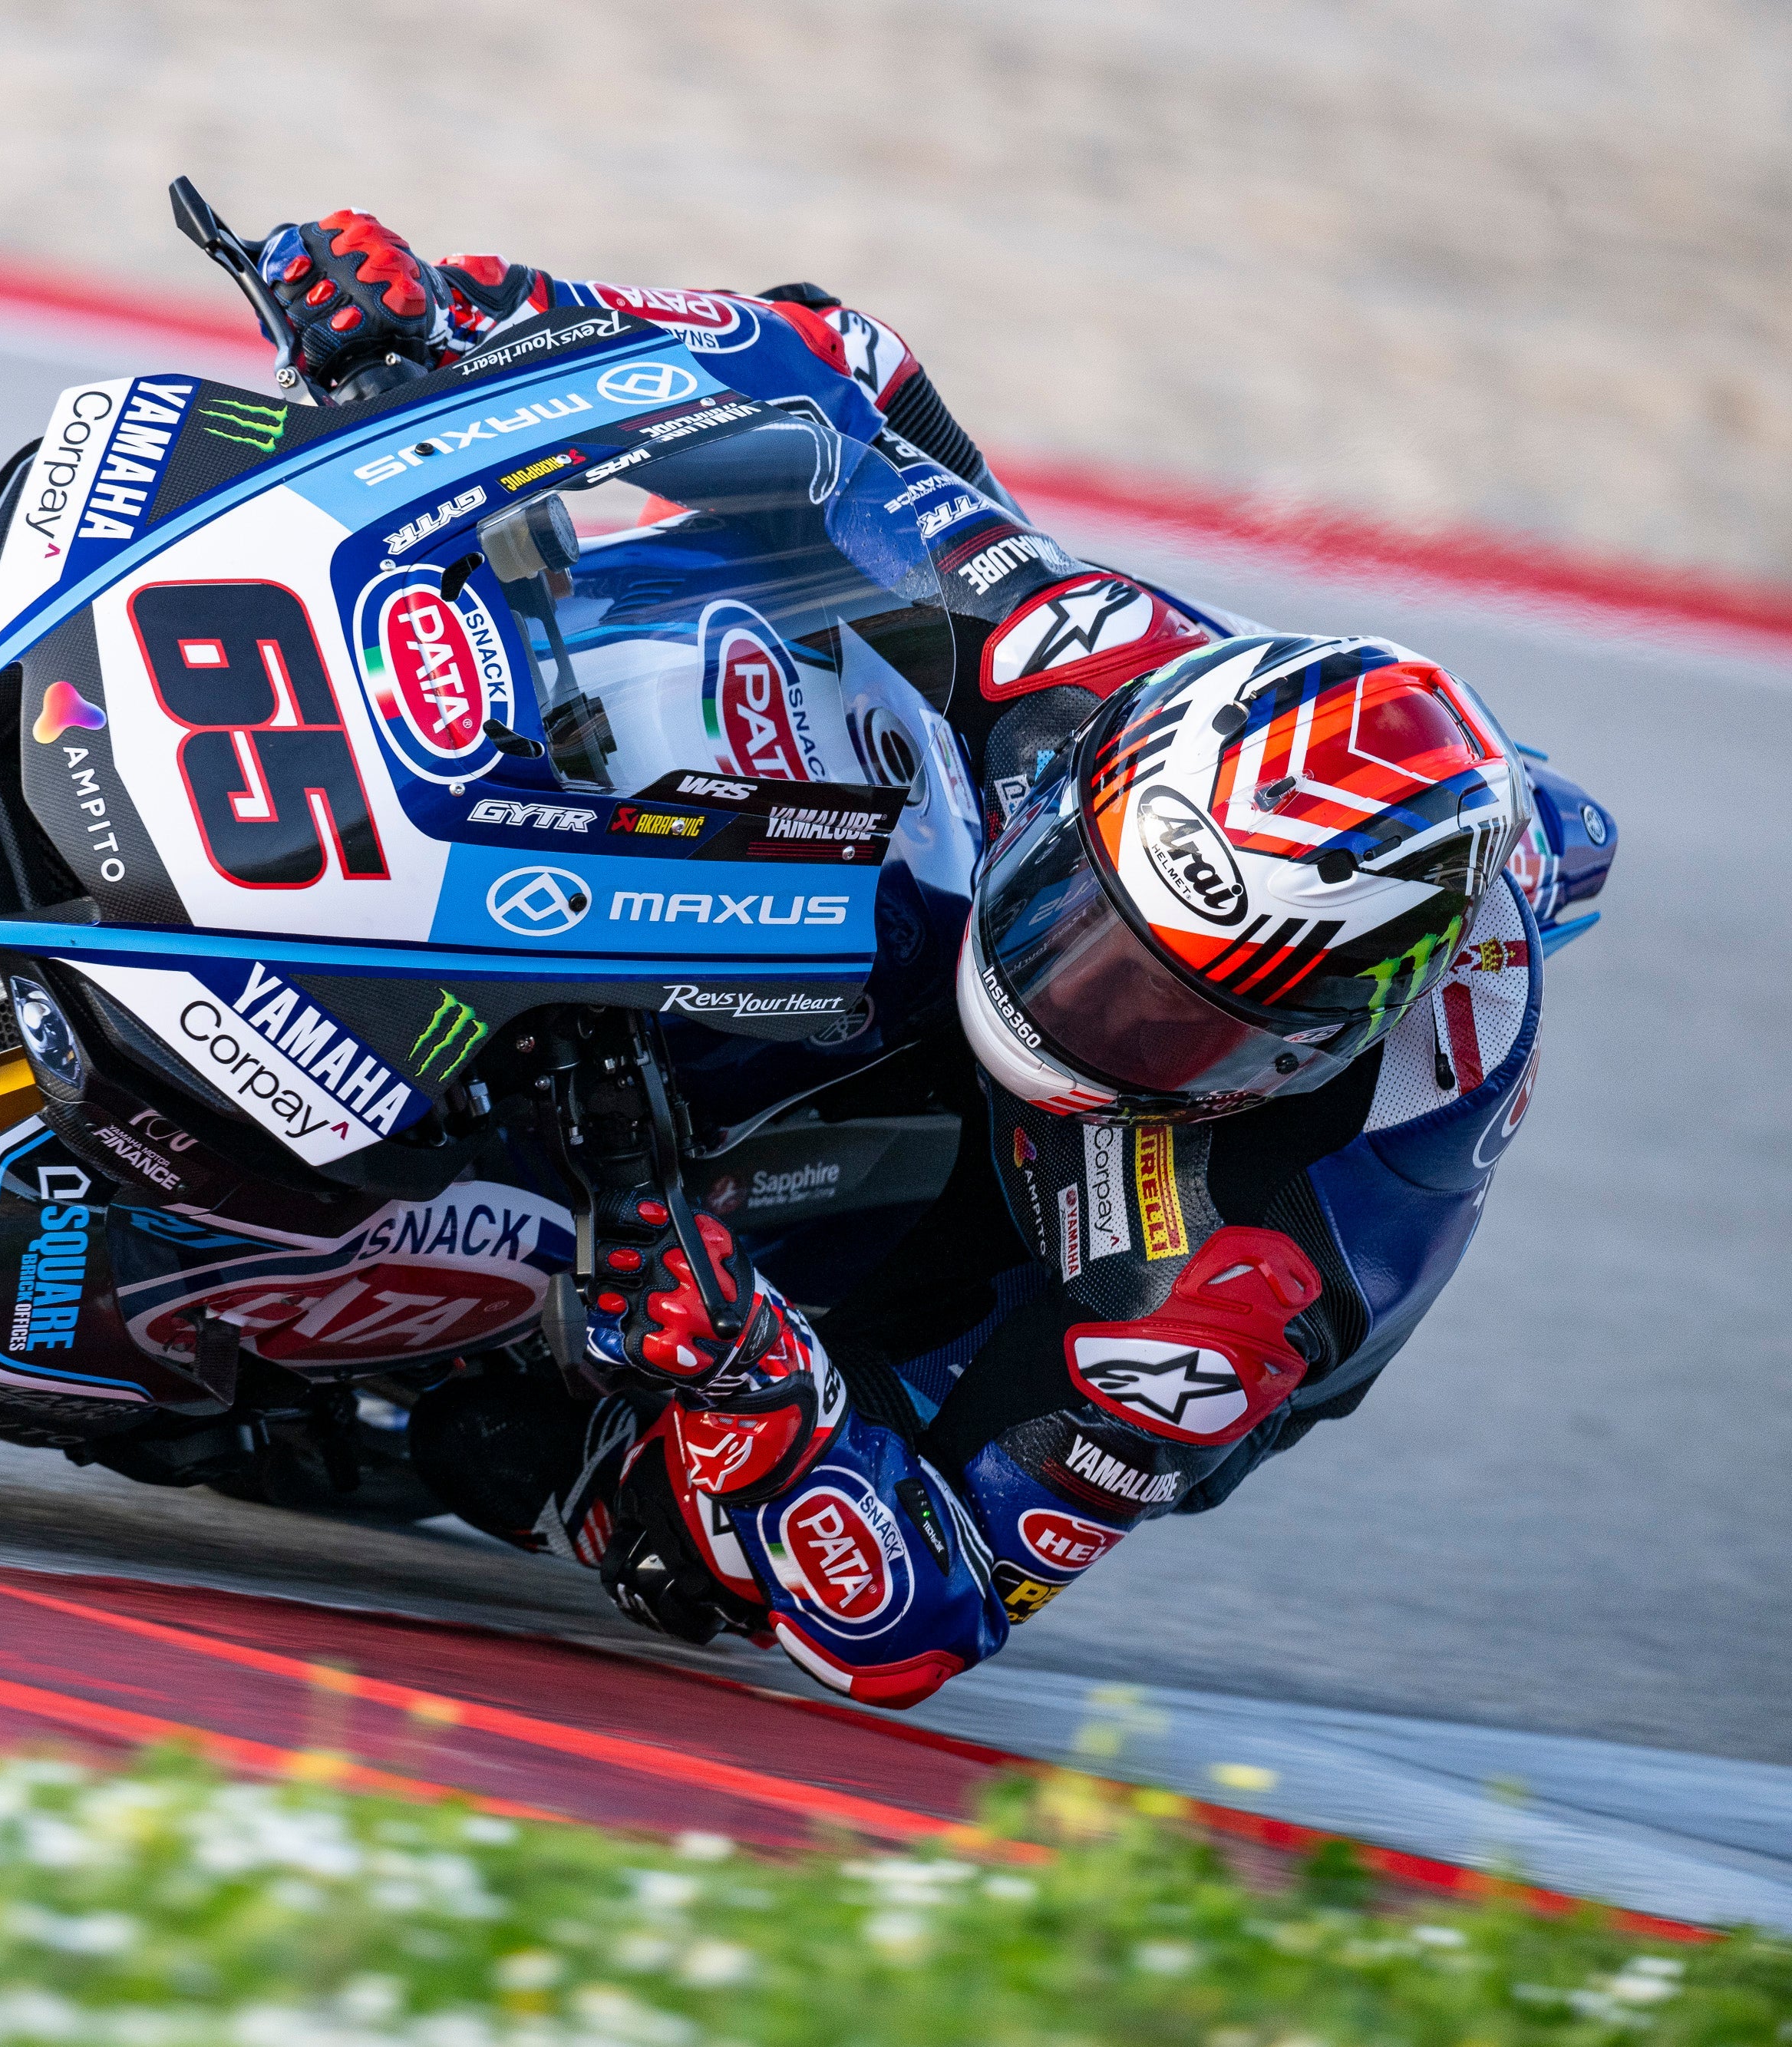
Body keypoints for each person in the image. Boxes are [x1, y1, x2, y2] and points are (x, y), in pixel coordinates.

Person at [260, 210, 1557, 1708]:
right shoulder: (1098, 667)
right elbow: (831, 361)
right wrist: (471, 312)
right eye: (1073, 908)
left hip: (1054, 1240)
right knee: (741, 546)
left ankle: (510, 1394)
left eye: (1149, 1007)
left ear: (1287, 1051)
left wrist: (750, 1370)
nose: (1060, 982)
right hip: (999, 824)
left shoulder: (1239, 1274)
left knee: (677, 1537)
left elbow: (924, 1613)